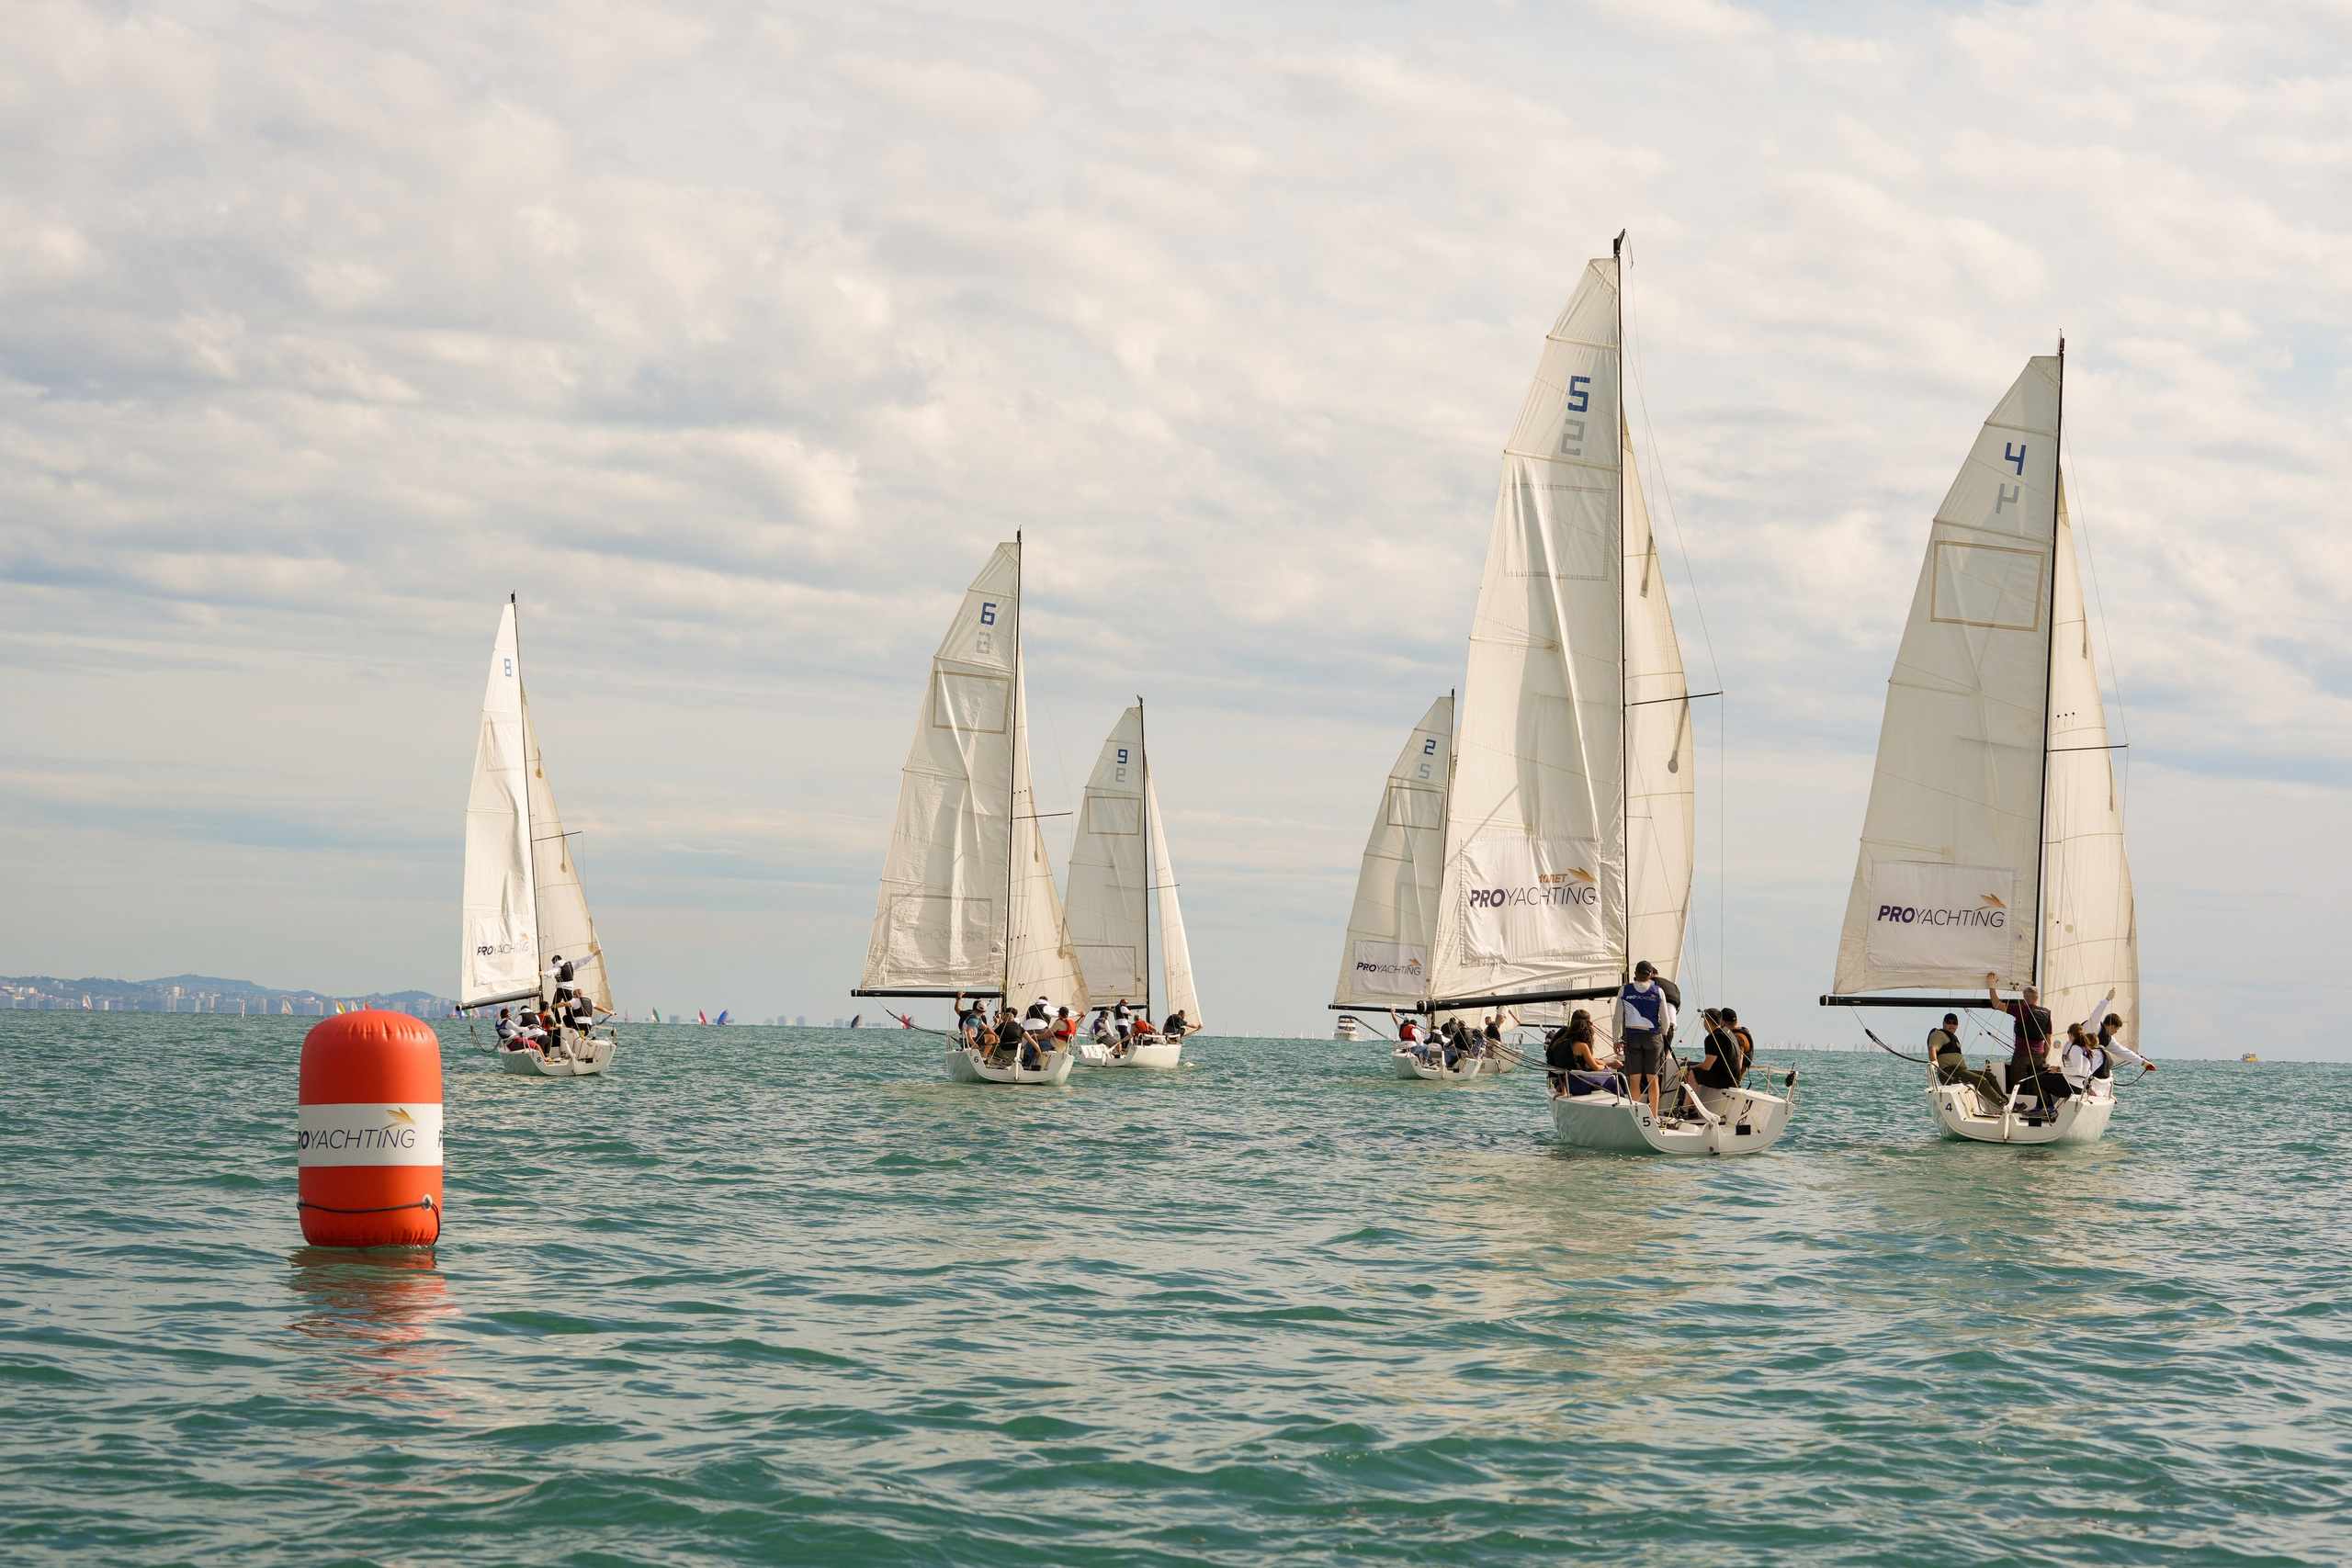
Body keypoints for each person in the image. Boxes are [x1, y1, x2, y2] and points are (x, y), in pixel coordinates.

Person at [1986, 972, 2061, 1111]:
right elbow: (2048, 1039)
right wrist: (2044, 1057)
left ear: (2027, 997)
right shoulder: (2047, 1013)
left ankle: (2016, 1106)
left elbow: (1996, 1004)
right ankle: (2036, 1108)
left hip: (2022, 1053)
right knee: (2035, 1083)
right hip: (2038, 1055)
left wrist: (1991, 986)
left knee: (2016, 1081)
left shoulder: (2022, 1009)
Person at [1614, 961, 1677, 1117]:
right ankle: (1654, 1116)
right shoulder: (1658, 991)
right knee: (1653, 1079)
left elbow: (1617, 1019)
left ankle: (1636, 1114)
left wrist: (1616, 1040)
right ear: (1650, 976)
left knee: (1634, 1078)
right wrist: (1662, 1033)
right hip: (1653, 1037)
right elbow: (1666, 1020)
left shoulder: (1625, 990)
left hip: (1633, 1037)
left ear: (1635, 974)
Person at [1929, 1010, 2004, 1110]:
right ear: (1943, 1023)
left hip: (1959, 1071)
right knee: (1981, 1080)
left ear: (1957, 1025)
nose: (1952, 1025)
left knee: (1989, 1076)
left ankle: (2007, 1102)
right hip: (1949, 1072)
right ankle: (2002, 1103)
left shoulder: (1952, 1037)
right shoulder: (1938, 1034)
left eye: (1954, 1023)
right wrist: (1934, 1061)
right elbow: (1933, 1048)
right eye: (1948, 1022)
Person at [1545, 1010, 1607, 1095]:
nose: (1592, 1027)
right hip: (1565, 1081)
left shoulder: (1563, 1039)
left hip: (1566, 1081)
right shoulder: (1572, 1040)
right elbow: (1554, 1059)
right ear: (1584, 1024)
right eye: (1591, 1024)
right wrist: (1606, 1066)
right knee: (1610, 1076)